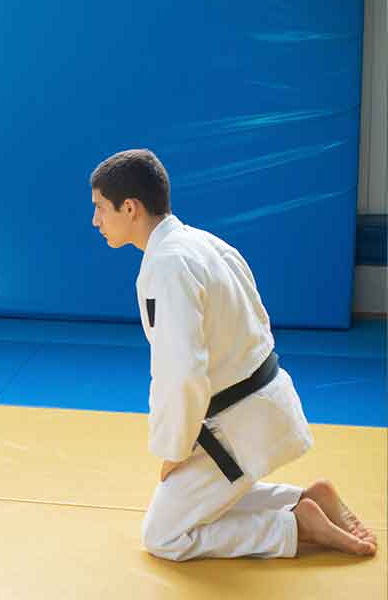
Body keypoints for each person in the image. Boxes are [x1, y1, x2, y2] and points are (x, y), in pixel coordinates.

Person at [90, 148, 377, 560]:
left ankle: (295, 525)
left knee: (164, 534)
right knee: (194, 508)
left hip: (235, 425)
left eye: (101, 208)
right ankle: (305, 499)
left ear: (130, 207)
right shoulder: (203, 243)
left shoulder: (168, 265)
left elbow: (182, 372)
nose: (96, 220)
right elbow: (258, 322)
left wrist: (175, 449)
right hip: (262, 405)